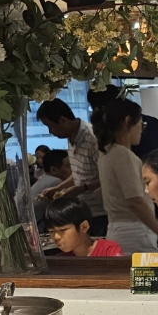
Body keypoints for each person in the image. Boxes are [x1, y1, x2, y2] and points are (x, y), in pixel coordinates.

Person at [92, 97, 158, 255]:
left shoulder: (107, 152)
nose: (141, 129)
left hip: (117, 229)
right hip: (134, 232)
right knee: (155, 270)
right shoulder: (123, 155)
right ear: (127, 121)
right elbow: (135, 201)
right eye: (141, 124)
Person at [35, 98, 107, 236]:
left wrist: (81, 188)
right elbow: (80, 173)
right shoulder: (71, 138)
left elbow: (106, 176)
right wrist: (58, 188)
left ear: (62, 120)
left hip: (101, 211)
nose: (50, 131)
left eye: (50, 126)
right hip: (85, 210)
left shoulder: (92, 138)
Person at [44, 197, 123, 257]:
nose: (56, 237)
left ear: (84, 227)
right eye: (51, 231)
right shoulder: (61, 260)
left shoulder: (108, 251)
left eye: (62, 230)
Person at [31, 150, 71, 231]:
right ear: (53, 170)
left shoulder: (45, 179)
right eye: (68, 166)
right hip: (40, 230)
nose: (72, 170)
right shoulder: (56, 182)